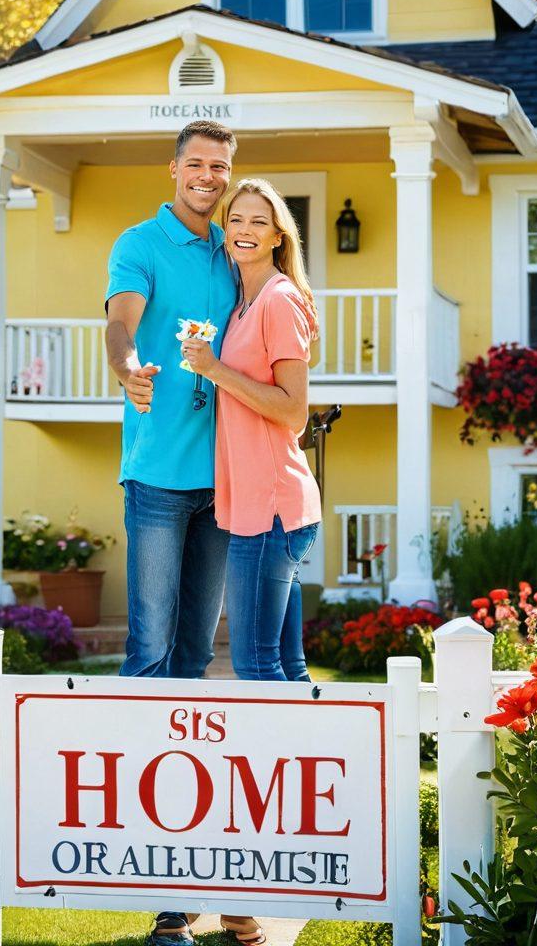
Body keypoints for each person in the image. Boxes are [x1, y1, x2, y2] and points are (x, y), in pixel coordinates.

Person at [106, 122, 266, 946]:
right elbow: (121, 322)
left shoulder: (233, 253)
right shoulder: (140, 243)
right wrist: (128, 366)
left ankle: (195, 857)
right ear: (173, 169)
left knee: (197, 659)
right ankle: (149, 858)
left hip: (227, 486)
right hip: (160, 486)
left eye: (221, 167)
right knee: (147, 651)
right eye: (197, 165)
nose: (208, 178)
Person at [181, 178, 321, 683]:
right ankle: (314, 756)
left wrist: (216, 370)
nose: (245, 230)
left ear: (278, 236)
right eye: (236, 220)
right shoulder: (242, 305)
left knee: (255, 665)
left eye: (259, 221)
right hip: (257, 508)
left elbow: (293, 412)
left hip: (273, 507)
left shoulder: (279, 301)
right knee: (285, 666)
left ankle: (287, 760)